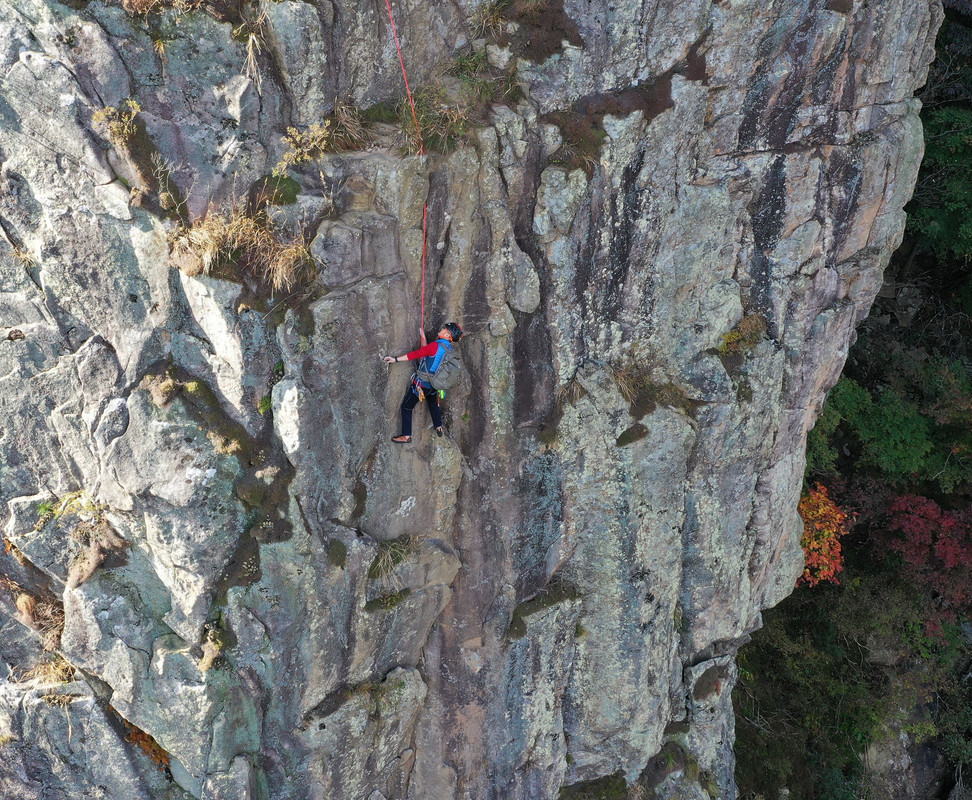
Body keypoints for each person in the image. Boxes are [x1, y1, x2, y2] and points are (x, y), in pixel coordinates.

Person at [383, 322, 463, 444]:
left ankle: (406, 436)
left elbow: (417, 354)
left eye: (444, 329)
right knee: (432, 403)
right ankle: (438, 426)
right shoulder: (449, 349)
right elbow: (428, 356)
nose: (441, 329)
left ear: (447, 334)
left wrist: (396, 359)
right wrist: (423, 338)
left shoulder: (435, 346)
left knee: (406, 407)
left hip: (422, 384)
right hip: (434, 385)